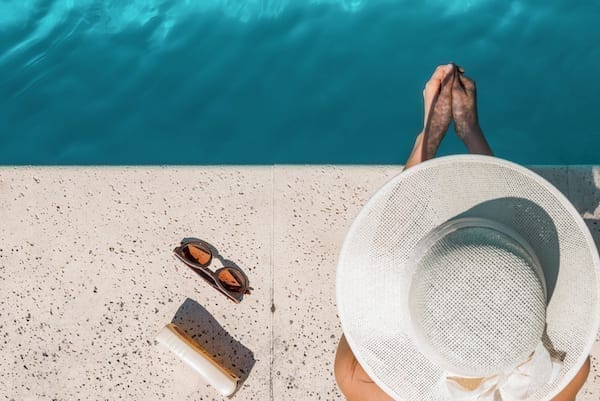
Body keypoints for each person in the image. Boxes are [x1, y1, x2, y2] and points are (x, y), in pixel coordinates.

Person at [333, 63, 592, 401]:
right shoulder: (567, 373)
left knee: (381, 260)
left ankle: (425, 143)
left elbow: (371, 290)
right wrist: (471, 131)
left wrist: (445, 134)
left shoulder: (356, 378)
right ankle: (439, 140)